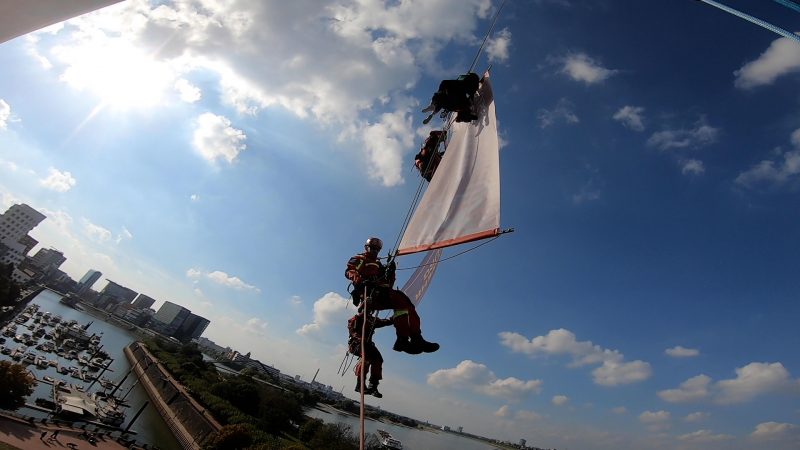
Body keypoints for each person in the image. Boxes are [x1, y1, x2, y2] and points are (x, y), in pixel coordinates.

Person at [345, 237, 439, 354]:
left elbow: (388, 284)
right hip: (370, 294)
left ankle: (410, 339)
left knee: (406, 307)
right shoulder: (361, 259)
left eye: (377, 249)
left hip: (383, 294)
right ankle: (407, 339)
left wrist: (391, 272)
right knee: (401, 299)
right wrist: (359, 280)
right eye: (372, 248)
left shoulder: (379, 265)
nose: (374, 251)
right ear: (366, 247)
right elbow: (350, 271)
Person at [348, 310, 393, 398]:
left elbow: (383, 322)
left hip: (368, 344)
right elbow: (352, 331)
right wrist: (359, 338)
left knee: (378, 360)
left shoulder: (372, 319)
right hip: (357, 344)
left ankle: (373, 386)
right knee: (366, 359)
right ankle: (360, 385)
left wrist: (393, 319)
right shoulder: (357, 319)